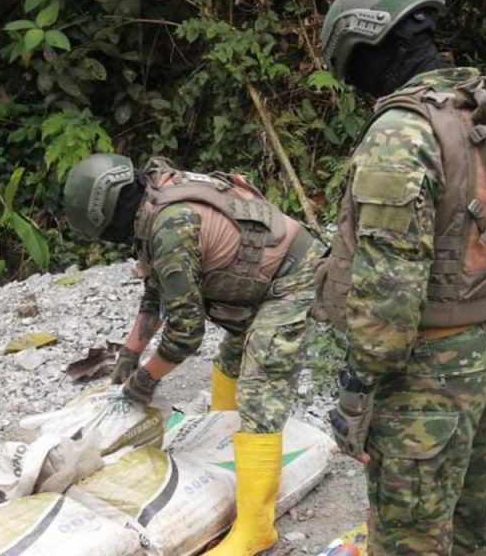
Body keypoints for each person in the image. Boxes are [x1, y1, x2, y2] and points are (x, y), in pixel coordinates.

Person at [314, 0, 486, 555]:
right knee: (468, 527)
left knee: (408, 539)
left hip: (426, 376)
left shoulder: (402, 132)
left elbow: (388, 292)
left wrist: (359, 386)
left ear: (368, 44)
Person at [63, 154, 324, 555]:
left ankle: (255, 529)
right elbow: (156, 290)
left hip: (294, 276)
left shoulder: (170, 226)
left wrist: (143, 383)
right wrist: (130, 353)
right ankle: (221, 439)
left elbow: (185, 334)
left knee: (261, 387)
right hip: (260, 275)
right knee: (232, 356)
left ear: (105, 216)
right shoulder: (153, 199)